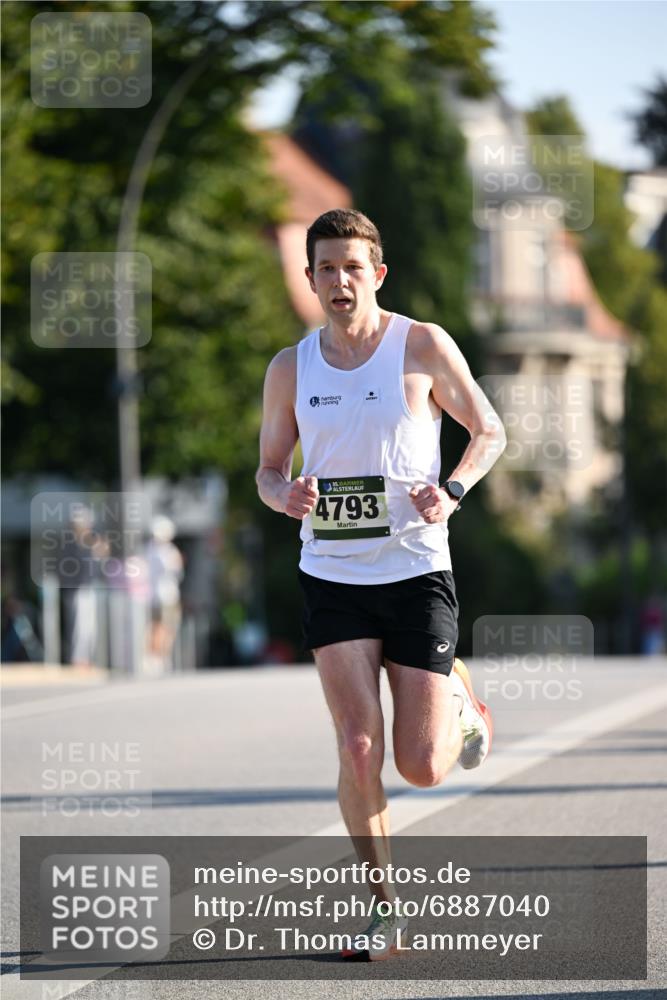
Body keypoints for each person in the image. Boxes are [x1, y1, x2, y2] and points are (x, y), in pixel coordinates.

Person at [256, 209, 506, 960]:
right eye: (324, 268)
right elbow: (269, 470)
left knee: (422, 767)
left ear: (377, 274)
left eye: (351, 268)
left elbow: (488, 430)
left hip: (415, 568)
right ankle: (384, 910)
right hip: (330, 571)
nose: (339, 281)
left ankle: (459, 698)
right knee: (358, 745)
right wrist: (283, 495)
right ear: (308, 280)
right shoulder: (289, 367)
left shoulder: (420, 345)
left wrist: (453, 489)